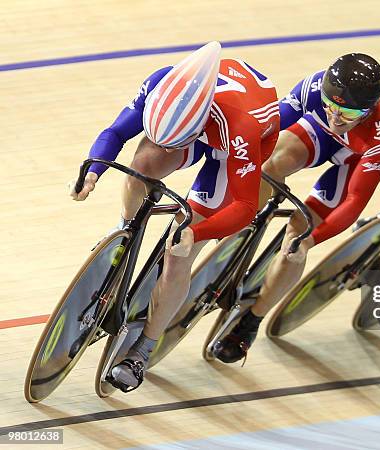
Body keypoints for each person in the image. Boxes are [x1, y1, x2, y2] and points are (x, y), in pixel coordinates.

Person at [68, 41, 279, 390]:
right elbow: (116, 132)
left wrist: (197, 233)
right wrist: (93, 172)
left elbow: (244, 207)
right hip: (192, 127)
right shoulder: (160, 84)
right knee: (143, 165)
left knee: (179, 251)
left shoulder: (240, 128)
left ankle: (143, 350)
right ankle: (126, 230)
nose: (167, 148)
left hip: (233, 148)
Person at [212, 53, 380, 363]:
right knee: (270, 162)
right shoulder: (315, 88)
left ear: (368, 110)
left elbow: (356, 199)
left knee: (296, 238)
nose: (337, 115)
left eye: (348, 112)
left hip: (353, 158)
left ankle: (252, 320)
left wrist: (310, 241)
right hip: (319, 136)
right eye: (332, 105)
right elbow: (264, 131)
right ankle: (243, 225)